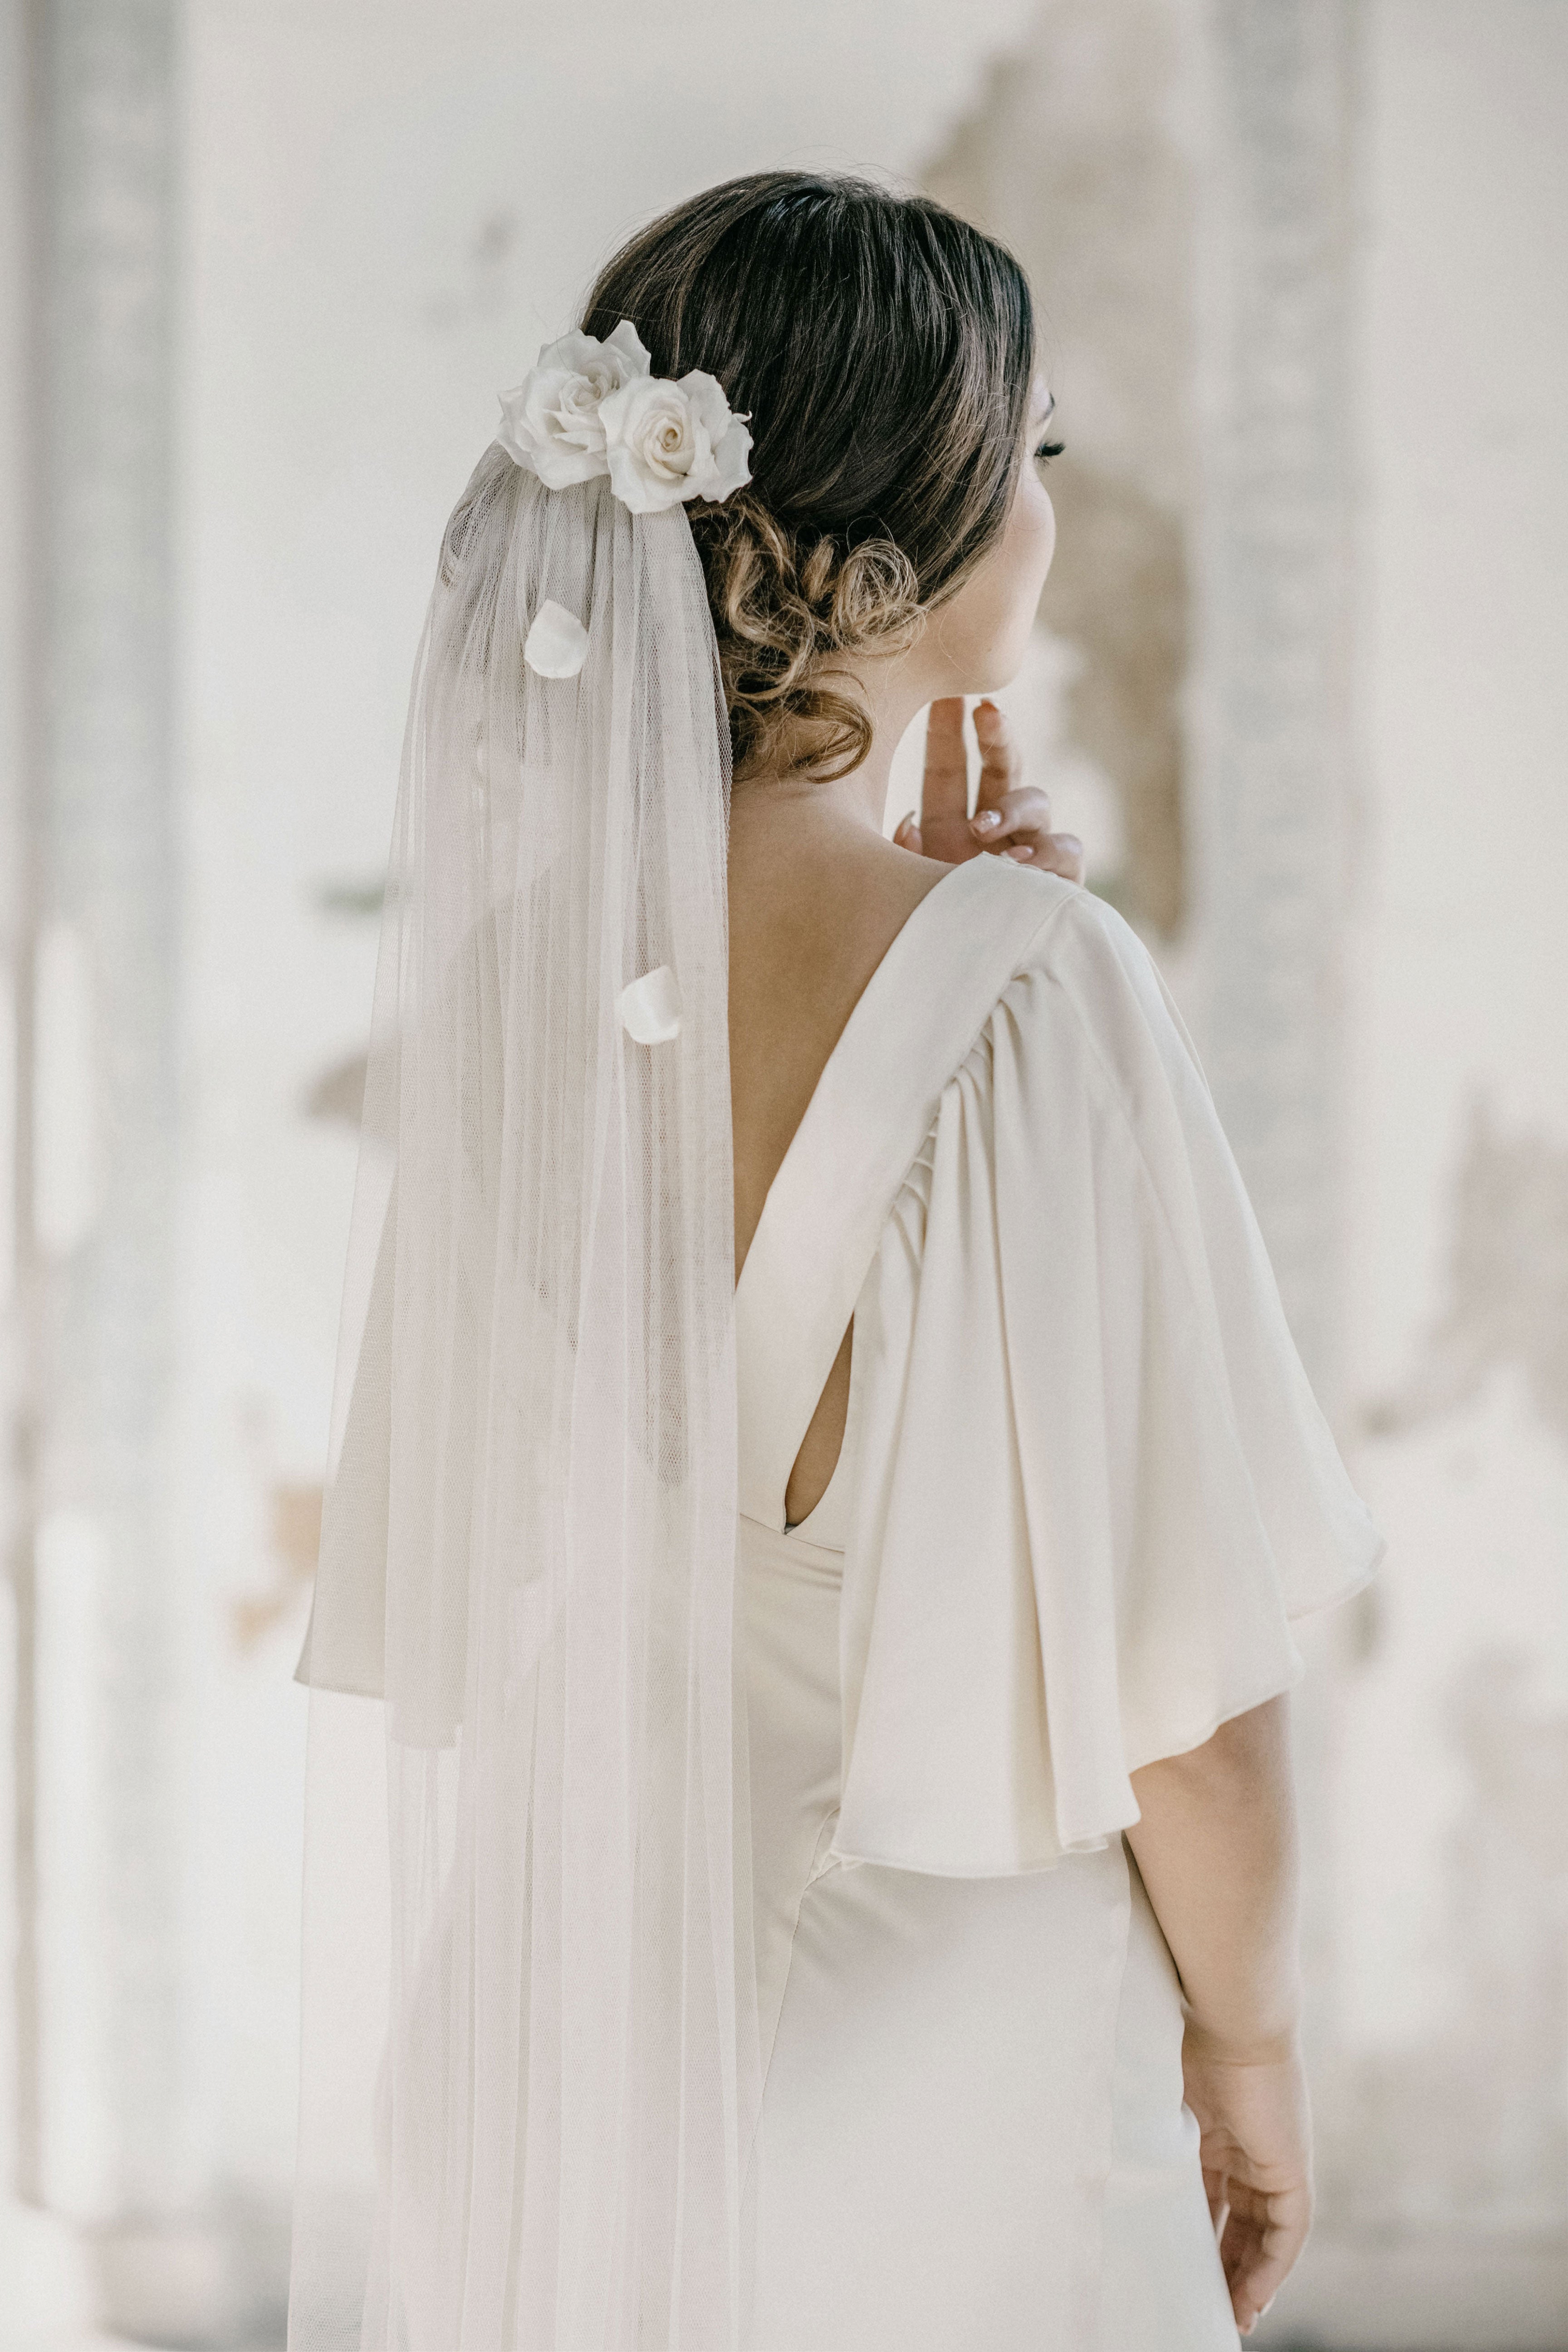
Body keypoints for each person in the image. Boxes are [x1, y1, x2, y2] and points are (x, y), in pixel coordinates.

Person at [289, 173, 1382, 2352]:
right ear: (908, 545)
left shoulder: (511, 988)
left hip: (552, 2034)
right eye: (1033, 453)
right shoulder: (1034, 989)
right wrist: (1253, 2052)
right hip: (922, 2104)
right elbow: (1188, 1705)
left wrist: (950, 923)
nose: (1050, 508)